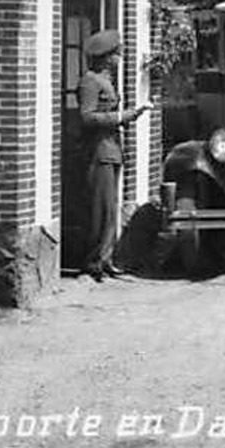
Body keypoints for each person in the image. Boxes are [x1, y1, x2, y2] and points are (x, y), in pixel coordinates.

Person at [77, 30, 151, 281]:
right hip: (99, 152)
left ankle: (105, 258)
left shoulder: (107, 82)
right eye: (117, 54)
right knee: (101, 209)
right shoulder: (90, 81)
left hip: (112, 150)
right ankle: (93, 261)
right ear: (106, 57)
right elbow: (87, 117)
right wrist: (122, 116)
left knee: (110, 210)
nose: (120, 58)